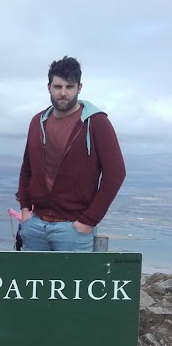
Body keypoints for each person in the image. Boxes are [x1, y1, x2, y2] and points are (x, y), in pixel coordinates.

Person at [17, 56, 126, 252]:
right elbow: (27, 167)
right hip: (35, 226)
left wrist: (88, 221)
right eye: (58, 87)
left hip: (73, 230)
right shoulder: (37, 122)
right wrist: (25, 208)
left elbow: (116, 173)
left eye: (70, 87)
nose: (63, 93)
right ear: (49, 87)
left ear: (79, 88)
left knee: (73, 283)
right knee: (31, 282)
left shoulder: (96, 123)